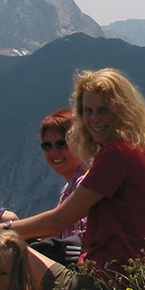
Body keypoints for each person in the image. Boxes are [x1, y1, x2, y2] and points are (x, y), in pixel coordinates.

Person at [0, 68, 145, 290]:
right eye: (88, 111)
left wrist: (2, 229)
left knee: (5, 248)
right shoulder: (138, 150)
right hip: (134, 285)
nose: (94, 120)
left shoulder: (116, 155)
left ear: (121, 110)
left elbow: (60, 220)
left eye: (103, 110)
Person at [30, 109, 89, 266]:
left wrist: (8, 229)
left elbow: (62, 224)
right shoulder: (68, 188)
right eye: (47, 146)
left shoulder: (88, 182)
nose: (54, 152)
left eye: (61, 144)